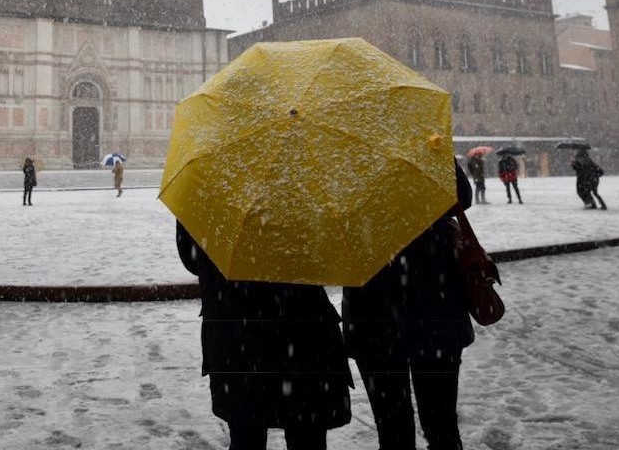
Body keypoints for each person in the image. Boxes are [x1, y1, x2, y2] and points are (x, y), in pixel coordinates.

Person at [178, 220, 351, 449]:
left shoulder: (208, 191)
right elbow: (329, 254)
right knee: (306, 435)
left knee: (246, 435)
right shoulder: (305, 194)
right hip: (303, 336)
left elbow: (193, 258)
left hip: (237, 336)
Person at [343, 161, 475, 450]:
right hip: (433, 309)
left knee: (395, 430)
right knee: (440, 427)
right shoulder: (417, 140)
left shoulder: (341, 159)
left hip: (374, 317)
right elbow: (461, 197)